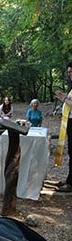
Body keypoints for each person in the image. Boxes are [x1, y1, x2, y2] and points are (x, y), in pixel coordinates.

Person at [54, 61, 72, 191]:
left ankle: (71, 184)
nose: (69, 74)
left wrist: (64, 98)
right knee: (70, 152)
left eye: (71, 72)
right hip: (69, 121)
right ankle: (69, 179)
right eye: (68, 72)